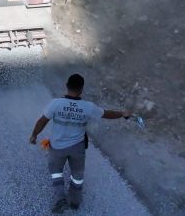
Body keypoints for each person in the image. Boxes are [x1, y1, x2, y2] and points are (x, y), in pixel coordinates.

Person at [29, 74, 131, 214]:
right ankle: (75, 202)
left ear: (66, 85)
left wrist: (34, 135)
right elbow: (107, 114)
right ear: (81, 89)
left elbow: (42, 121)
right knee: (77, 176)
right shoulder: (88, 107)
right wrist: (122, 113)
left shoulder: (56, 103)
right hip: (77, 148)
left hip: (57, 146)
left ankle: (61, 199)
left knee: (56, 173)